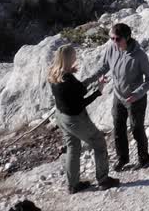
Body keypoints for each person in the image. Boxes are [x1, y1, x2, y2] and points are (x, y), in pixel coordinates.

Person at [47, 44, 121, 194]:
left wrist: (94, 80)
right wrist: (99, 91)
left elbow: (78, 89)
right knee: (99, 143)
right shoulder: (68, 80)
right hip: (75, 118)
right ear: (68, 58)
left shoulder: (54, 74)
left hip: (62, 117)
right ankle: (103, 180)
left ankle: (73, 185)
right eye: (74, 55)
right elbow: (80, 100)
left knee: (73, 148)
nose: (76, 57)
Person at [85, 22, 149, 171]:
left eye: (117, 39)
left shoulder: (139, 55)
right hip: (118, 96)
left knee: (137, 129)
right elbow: (105, 66)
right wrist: (89, 80)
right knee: (118, 128)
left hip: (136, 99)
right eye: (111, 38)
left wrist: (137, 93)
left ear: (127, 38)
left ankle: (144, 158)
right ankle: (122, 158)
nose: (113, 42)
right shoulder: (111, 47)